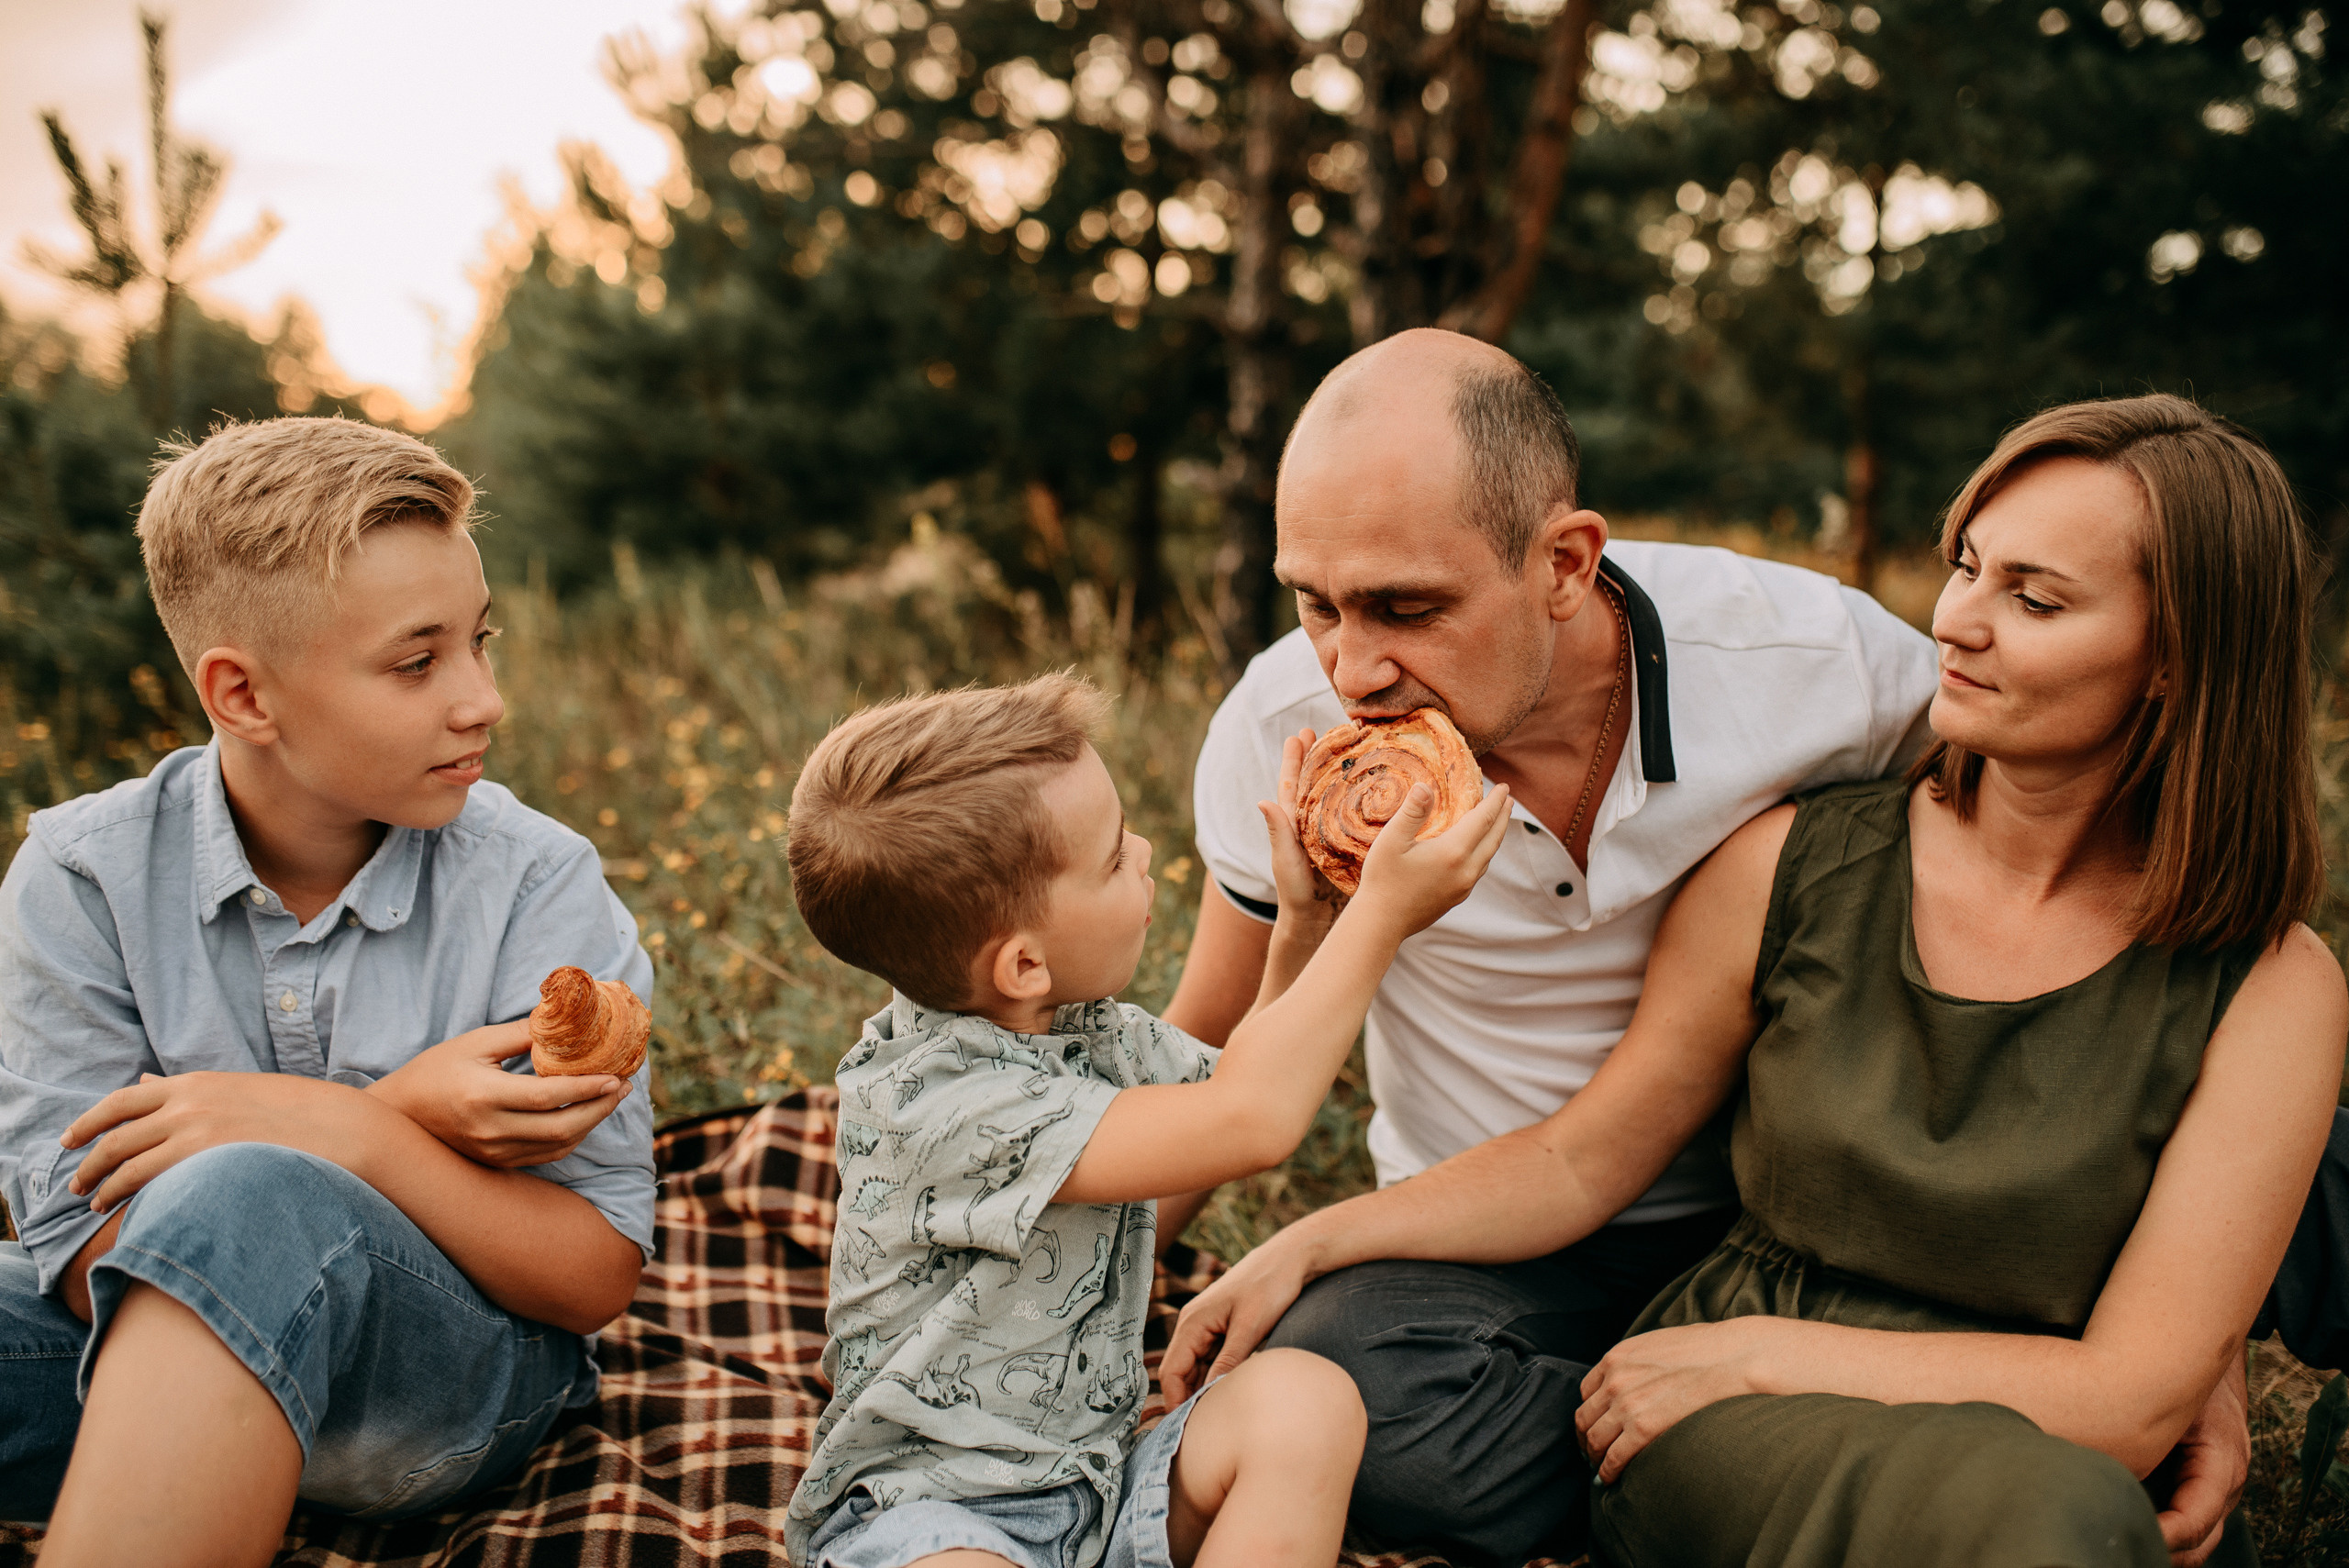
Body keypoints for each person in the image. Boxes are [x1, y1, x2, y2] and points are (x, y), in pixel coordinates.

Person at [1152, 330, 2318, 1565]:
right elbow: (1216, 1040)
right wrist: (1096, 1295)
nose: (1352, 666)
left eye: (1407, 607)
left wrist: (2198, 1350)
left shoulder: (1849, 684)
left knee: (2304, 1148)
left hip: (1821, 1211)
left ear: (1565, 563)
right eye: (1313, 601)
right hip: (1519, 1232)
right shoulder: (1289, 733)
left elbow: (2073, 956)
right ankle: (1687, 1452)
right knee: (1338, 1368)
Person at [0, 418, 652, 1566]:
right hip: (130, 1346)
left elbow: (593, 1271)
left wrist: (342, 1128)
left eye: (479, 642)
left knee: (243, 1190)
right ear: (243, 694)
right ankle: (194, 1473)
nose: (482, 698)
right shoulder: (83, 874)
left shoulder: (539, 881)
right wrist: (398, 1105)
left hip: (448, 1383)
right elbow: (78, 1249)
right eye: (418, 661)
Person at [780, 673, 1513, 1568]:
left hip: (1099, 1478)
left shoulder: (1080, 1029)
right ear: (1021, 961)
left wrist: (1305, 931)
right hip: (931, 1508)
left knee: (1306, 1400)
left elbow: (1240, 1083)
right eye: (1111, 855)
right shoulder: (940, 1105)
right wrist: (1385, 916)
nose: (1146, 850)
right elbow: (1255, 1120)